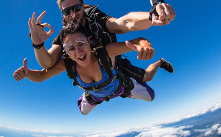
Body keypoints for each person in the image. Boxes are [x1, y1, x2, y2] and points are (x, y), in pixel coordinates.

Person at [14, 23, 174, 115]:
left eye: (81, 43)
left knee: (149, 85)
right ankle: (87, 95)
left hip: (122, 88)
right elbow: (41, 76)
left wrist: (144, 45)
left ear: (89, 42)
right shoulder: (67, 63)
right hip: (95, 96)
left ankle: (159, 62)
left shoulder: (106, 52)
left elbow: (138, 40)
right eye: (70, 47)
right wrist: (27, 73)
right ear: (66, 51)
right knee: (82, 112)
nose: (77, 51)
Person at [28, 0, 176, 69]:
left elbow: (123, 23)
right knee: (85, 109)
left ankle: (159, 63)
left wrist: (150, 16)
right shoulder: (65, 37)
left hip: (115, 68)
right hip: (93, 80)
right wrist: (37, 44)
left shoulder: (96, 20)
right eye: (67, 11)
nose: (72, 14)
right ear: (63, 15)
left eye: (76, 8)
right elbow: (48, 63)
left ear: (83, 6)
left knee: (148, 90)